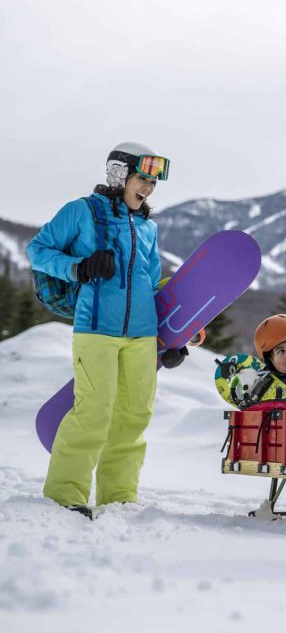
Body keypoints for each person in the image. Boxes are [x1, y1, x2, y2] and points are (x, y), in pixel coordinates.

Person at [27, 142, 184, 520]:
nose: (147, 187)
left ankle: (120, 495)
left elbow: (149, 285)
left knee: (134, 415)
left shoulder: (147, 227)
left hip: (143, 336)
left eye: (152, 182)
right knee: (93, 410)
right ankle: (66, 494)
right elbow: (38, 249)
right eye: (141, 178)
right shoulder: (81, 212)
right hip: (95, 329)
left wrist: (171, 339)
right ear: (119, 175)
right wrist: (78, 268)